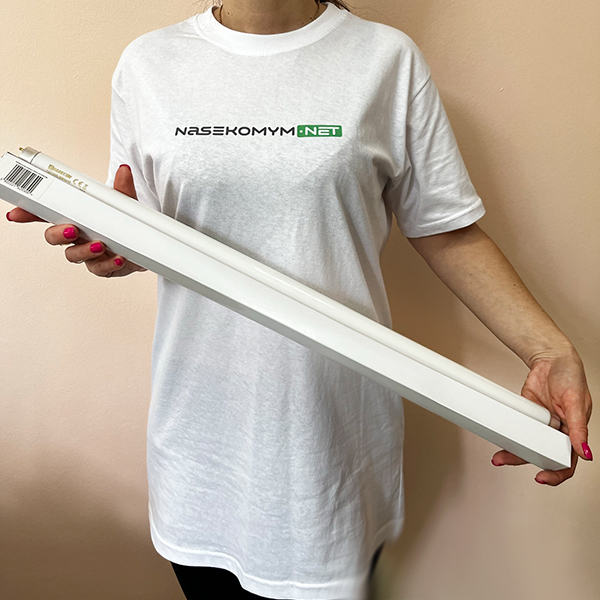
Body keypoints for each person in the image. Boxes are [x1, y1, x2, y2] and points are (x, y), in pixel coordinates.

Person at [7, 1, 593, 599]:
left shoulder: (386, 59)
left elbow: (446, 232)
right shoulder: (147, 63)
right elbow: (156, 230)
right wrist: (117, 247)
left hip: (335, 441)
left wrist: (549, 352)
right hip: (203, 445)